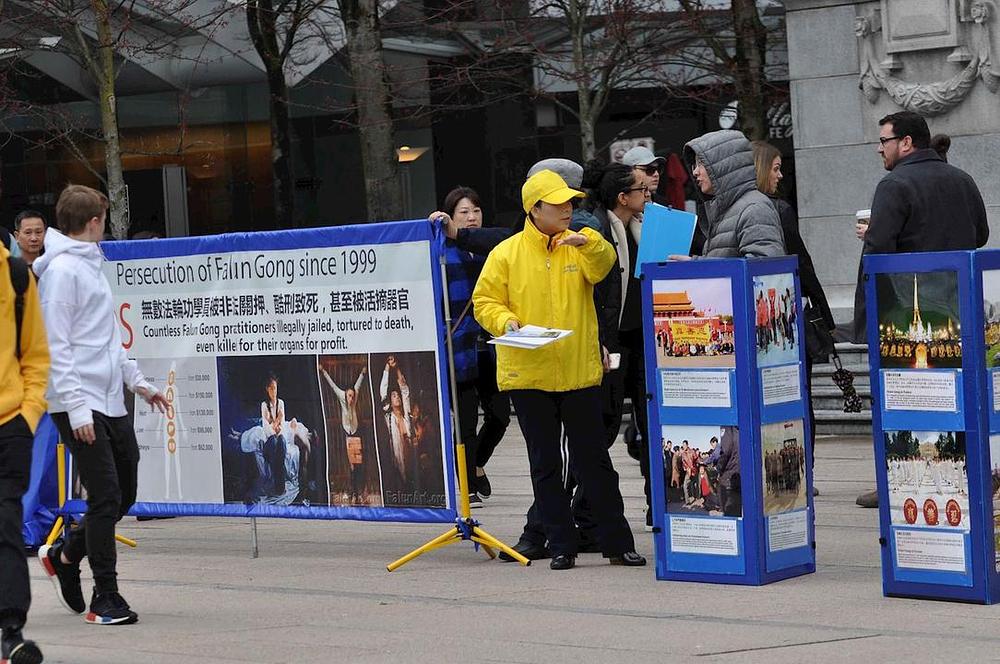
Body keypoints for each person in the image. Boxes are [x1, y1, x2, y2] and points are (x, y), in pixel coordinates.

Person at [473, 169, 645, 571]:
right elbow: (485, 301)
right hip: (528, 374)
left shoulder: (579, 244)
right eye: (558, 203)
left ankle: (618, 543)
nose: (568, 209)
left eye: (570, 202)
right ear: (535, 209)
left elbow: (604, 266)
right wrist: (505, 322)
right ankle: (560, 543)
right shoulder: (506, 253)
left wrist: (591, 243)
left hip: (577, 370)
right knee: (545, 464)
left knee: (595, 461)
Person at [34, 184, 168, 626]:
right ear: (94, 222)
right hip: (77, 400)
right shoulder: (61, 273)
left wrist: (139, 383)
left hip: (109, 398)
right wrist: (76, 410)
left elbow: (107, 337)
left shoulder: (92, 264)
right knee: (106, 494)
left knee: (124, 492)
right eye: (104, 220)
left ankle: (66, 554)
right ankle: (105, 597)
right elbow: (56, 346)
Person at [850, 112, 988, 507]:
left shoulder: (894, 184)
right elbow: (980, 235)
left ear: (906, 142)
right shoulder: (961, 179)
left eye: (884, 141)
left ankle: (897, 482)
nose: (879, 148)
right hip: (957, 309)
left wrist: (875, 234)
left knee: (905, 400)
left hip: (908, 314)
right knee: (954, 397)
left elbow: (879, 250)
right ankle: (964, 474)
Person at [753, 140, 834, 495]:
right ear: (760, 169)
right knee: (798, 395)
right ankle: (802, 472)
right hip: (783, 321)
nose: (781, 175)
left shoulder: (729, 211)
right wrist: (824, 315)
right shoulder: (778, 210)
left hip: (762, 320)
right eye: (775, 168)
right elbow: (802, 263)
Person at [1, 233, 49, 663]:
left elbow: (35, 354)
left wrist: (28, 414)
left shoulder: (15, 274)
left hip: (8, 425)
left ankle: (11, 632)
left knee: (6, 527)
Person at [428, 187, 488, 507]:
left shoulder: (489, 248)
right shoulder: (440, 251)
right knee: (464, 421)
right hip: (458, 347)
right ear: (450, 216)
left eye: (476, 210)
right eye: (464, 212)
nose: (472, 217)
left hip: (489, 346)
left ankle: (476, 465)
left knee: (498, 416)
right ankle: (466, 484)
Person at [679, 130, 785, 258]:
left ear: (723, 165)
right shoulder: (725, 210)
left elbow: (762, 266)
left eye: (701, 163)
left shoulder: (755, 209)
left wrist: (696, 265)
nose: (695, 172)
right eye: (695, 165)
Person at [320, 366, 369, 503]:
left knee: (358, 464)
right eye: (349, 396)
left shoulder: (355, 396)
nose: (351, 399)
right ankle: (352, 492)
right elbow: (332, 385)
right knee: (351, 465)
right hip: (347, 433)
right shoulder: (342, 396)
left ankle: (358, 493)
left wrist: (363, 373)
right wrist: (323, 371)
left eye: (352, 396)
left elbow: (358, 384)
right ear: (346, 395)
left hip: (356, 432)